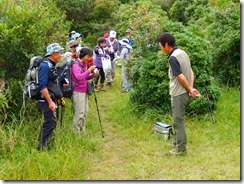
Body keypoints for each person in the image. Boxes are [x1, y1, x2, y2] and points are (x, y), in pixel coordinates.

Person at [157, 33, 200, 156]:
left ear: (166, 44)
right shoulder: (183, 52)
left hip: (178, 94)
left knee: (177, 121)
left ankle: (181, 149)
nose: (160, 49)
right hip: (184, 92)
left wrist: (189, 89)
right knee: (177, 119)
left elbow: (181, 76)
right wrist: (190, 88)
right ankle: (176, 143)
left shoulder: (172, 58)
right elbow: (191, 72)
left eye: (160, 46)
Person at [37, 43, 65, 150]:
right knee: (48, 124)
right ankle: (41, 148)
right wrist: (50, 102)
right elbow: (42, 86)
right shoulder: (45, 66)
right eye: (59, 53)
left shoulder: (51, 65)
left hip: (51, 99)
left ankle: (46, 146)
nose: (61, 55)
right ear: (53, 54)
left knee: (52, 123)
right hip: (45, 101)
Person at [71, 47, 98, 133]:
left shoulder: (84, 64)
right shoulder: (75, 64)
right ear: (83, 55)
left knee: (85, 112)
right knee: (79, 113)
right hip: (77, 91)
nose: (89, 58)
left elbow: (85, 77)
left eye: (90, 56)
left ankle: (82, 130)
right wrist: (89, 70)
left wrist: (93, 75)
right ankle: (76, 133)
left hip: (84, 90)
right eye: (88, 56)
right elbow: (78, 77)